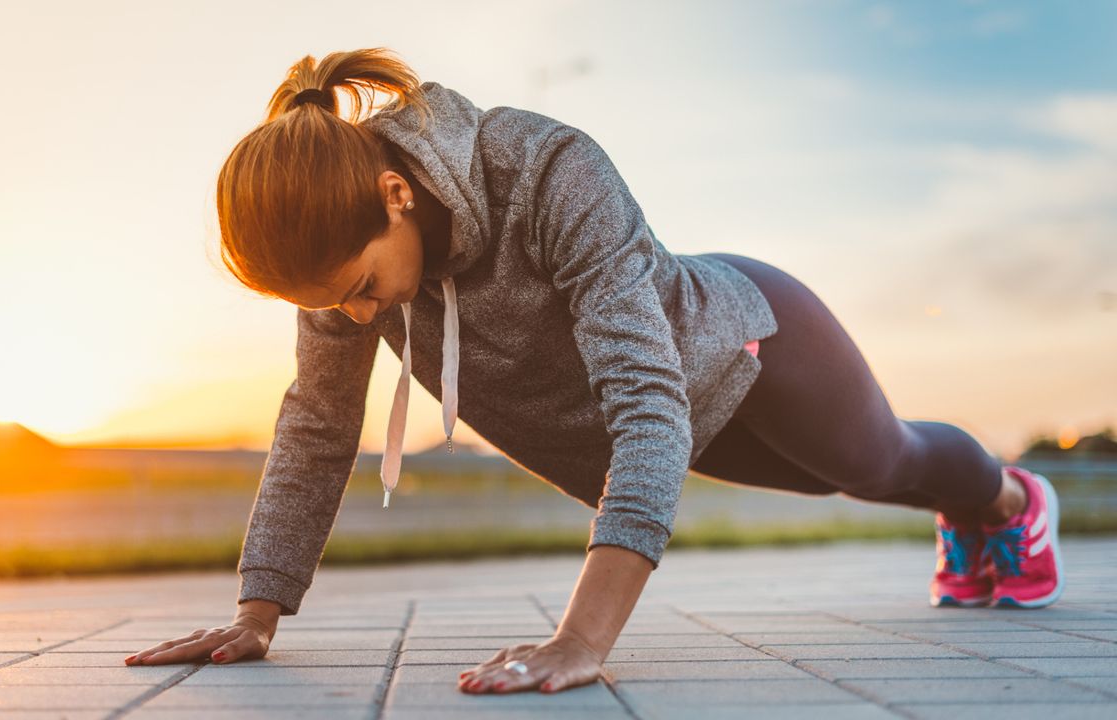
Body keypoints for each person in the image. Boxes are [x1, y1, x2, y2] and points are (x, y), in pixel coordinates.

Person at [123, 47, 1064, 694]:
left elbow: (649, 403)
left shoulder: (545, 169)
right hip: (656, 413)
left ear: (396, 194)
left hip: (748, 344)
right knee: (827, 487)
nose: (358, 318)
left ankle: (1010, 507)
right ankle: (974, 516)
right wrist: (258, 613)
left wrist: (582, 640)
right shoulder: (340, 263)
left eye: (363, 288)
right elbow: (318, 429)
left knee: (876, 464)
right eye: (336, 306)